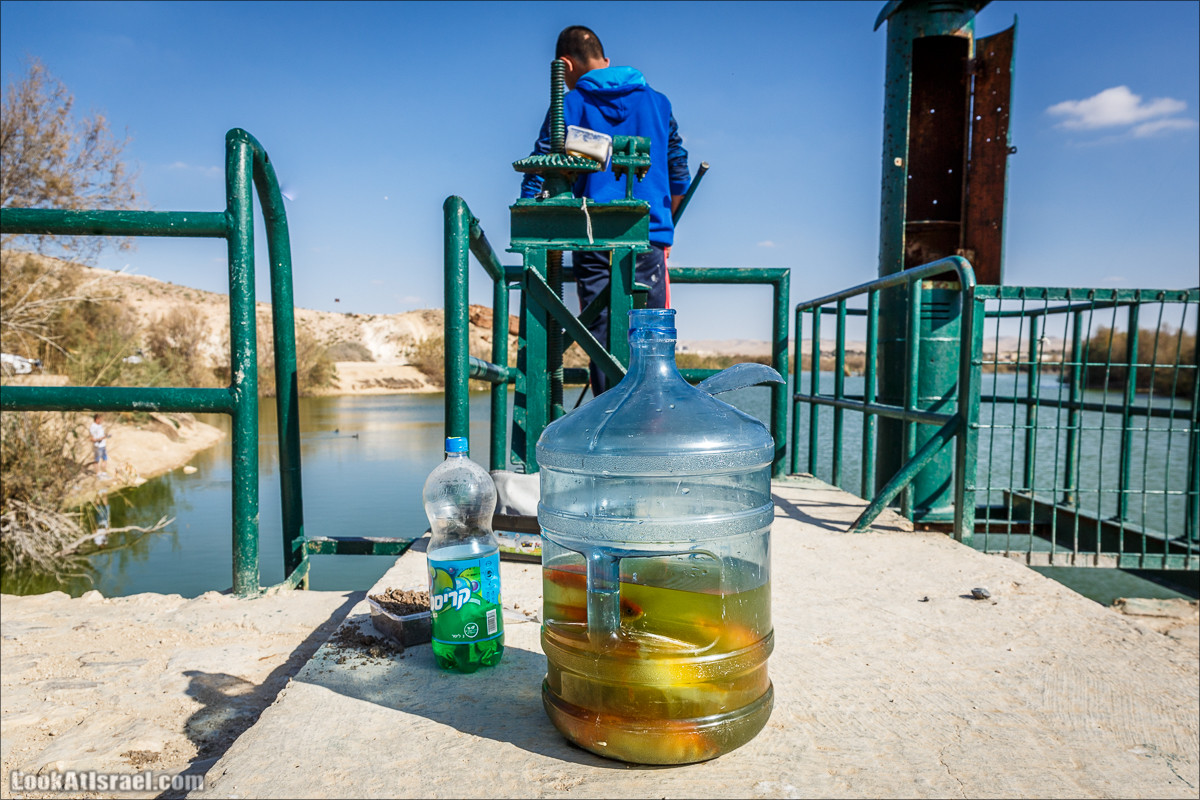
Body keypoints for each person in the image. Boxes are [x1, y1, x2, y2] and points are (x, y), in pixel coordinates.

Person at [521, 25, 691, 396]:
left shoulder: (569, 105)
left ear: (563, 65)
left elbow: (540, 170)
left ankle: (612, 431)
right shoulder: (658, 103)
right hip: (648, 239)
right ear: (606, 60)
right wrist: (663, 224)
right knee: (651, 344)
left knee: (601, 344)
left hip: (591, 238)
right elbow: (679, 172)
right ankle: (651, 432)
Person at [90, 413, 108, 479]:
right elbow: (91, 438)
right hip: (97, 446)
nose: (101, 420)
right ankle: (98, 473)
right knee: (96, 460)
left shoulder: (100, 425)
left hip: (103, 445)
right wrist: (99, 439)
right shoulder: (93, 426)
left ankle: (104, 473)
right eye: (100, 419)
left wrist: (105, 436)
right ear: (97, 419)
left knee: (105, 459)